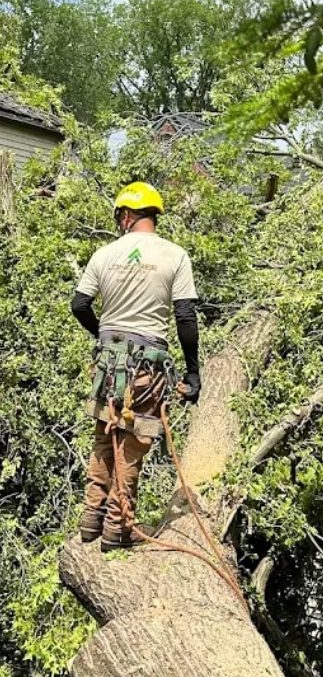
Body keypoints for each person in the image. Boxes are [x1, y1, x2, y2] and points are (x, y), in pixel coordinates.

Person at [70, 182, 202, 550]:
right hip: (147, 364)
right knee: (133, 443)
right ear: (152, 215)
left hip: (108, 364)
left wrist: (103, 336)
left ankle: (90, 520)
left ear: (126, 215)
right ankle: (117, 528)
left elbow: (79, 305)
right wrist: (193, 373)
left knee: (103, 436)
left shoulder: (104, 254)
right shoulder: (175, 255)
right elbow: (185, 318)